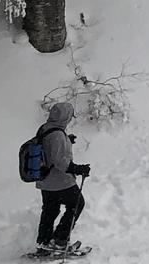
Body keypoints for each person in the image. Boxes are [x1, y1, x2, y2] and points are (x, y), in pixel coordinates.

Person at [33, 102, 90, 256]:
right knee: (77, 204)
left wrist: (67, 141)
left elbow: (48, 148)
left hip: (45, 181)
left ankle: (43, 242)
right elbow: (60, 162)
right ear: (64, 116)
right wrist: (78, 169)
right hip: (60, 181)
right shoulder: (57, 134)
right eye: (69, 116)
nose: (70, 119)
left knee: (50, 211)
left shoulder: (46, 128)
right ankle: (60, 240)